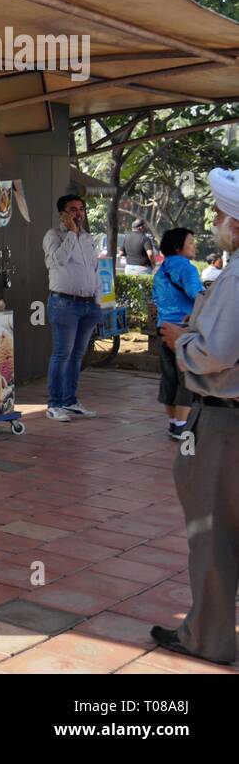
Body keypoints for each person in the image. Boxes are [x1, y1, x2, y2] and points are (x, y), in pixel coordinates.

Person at [153, 168, 239, 665]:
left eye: (218, 212)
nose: (212, 220)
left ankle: (208, 638)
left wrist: (180, 341)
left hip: (223, 423)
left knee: (211, 533)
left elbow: (215, 352)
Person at [42, 194, 101, 422]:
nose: (78, 213)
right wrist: (72, 235)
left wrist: (100, 300)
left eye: (81, 209)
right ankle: (54, 404)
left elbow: (94, 268)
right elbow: (56, 261)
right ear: (62, 214)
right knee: (62, 354)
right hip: (64, 303)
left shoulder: (88, 238)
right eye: (73, 209)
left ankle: (70, 400)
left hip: (88, 304)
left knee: (77, 356)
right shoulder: (53, 235)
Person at [152, 228, 202, 441]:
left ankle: (173, 423)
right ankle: (183, 426)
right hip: (183, 329)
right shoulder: (187, 268)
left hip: (163, 328)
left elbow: (156, 299)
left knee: (169, 376)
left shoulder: (161, 270)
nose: (194, 246)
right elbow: (196, 294)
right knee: (187, 376)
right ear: (178, 247)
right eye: (190, 242)